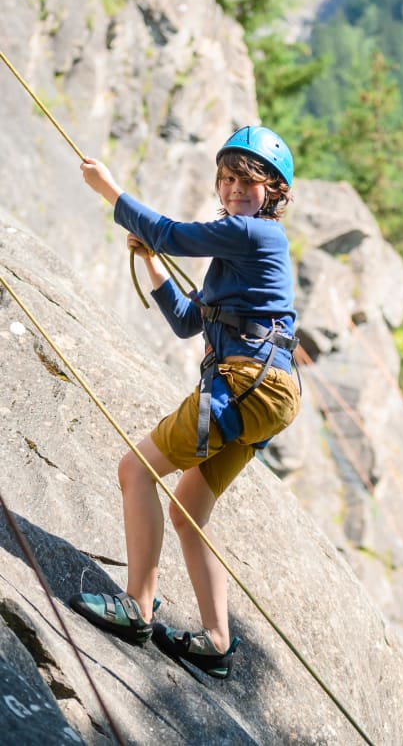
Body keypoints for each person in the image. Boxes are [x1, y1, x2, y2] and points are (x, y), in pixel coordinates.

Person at [69, 125, 301, 679]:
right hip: (265, 394)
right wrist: (152, 262)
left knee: (136, 470)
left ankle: (137, 606)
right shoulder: (237, 256)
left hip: (246, 382)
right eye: (226, 179)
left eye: (247, 181)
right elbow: (186, 320)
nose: (233, 189)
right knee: (188, 510)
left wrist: (109, 191)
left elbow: (171, 232)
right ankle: (217, 640)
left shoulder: (255, 234)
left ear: (273, 192)